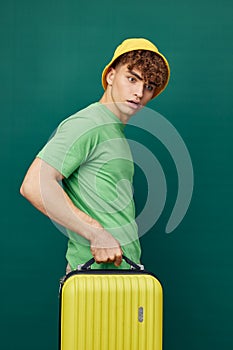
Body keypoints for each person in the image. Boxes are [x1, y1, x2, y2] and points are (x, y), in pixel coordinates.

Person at [20, 38, 170, 271]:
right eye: (132, 79)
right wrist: (95, 233)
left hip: (123, 273)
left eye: (149, 86)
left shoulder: (113, 132)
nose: (139, 92)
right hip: (94, 277)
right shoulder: (89, 123)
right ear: (111, 76)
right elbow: (33, 184)